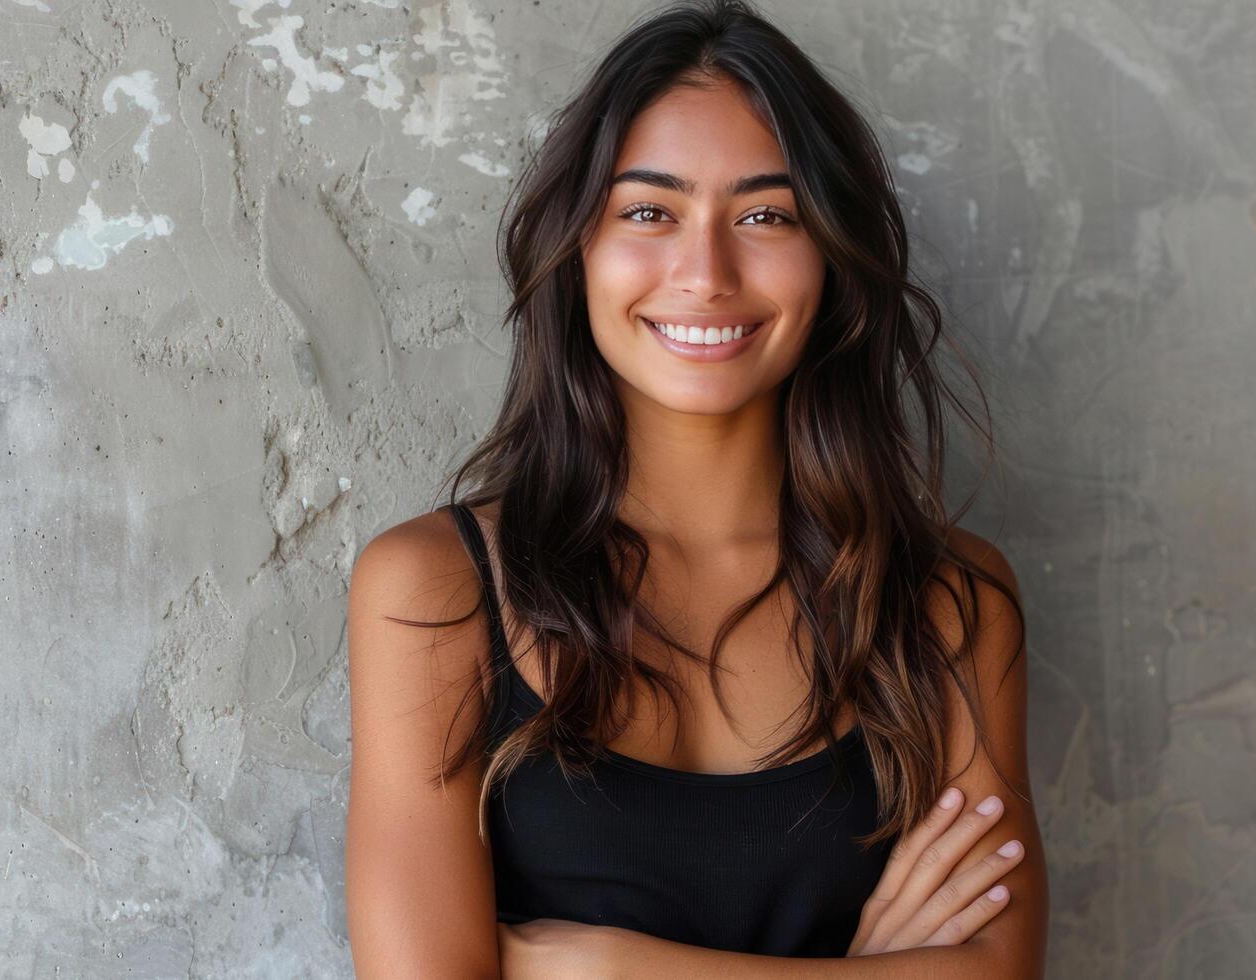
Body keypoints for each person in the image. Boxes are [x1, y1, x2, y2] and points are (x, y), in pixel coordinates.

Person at [344, 1, 1047, 976]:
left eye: (766, 214)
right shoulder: (437, 590)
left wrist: (605, 967)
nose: (706, 272)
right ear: (578, 247)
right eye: (649, 211)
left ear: (832, 257)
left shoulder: (950, 601)